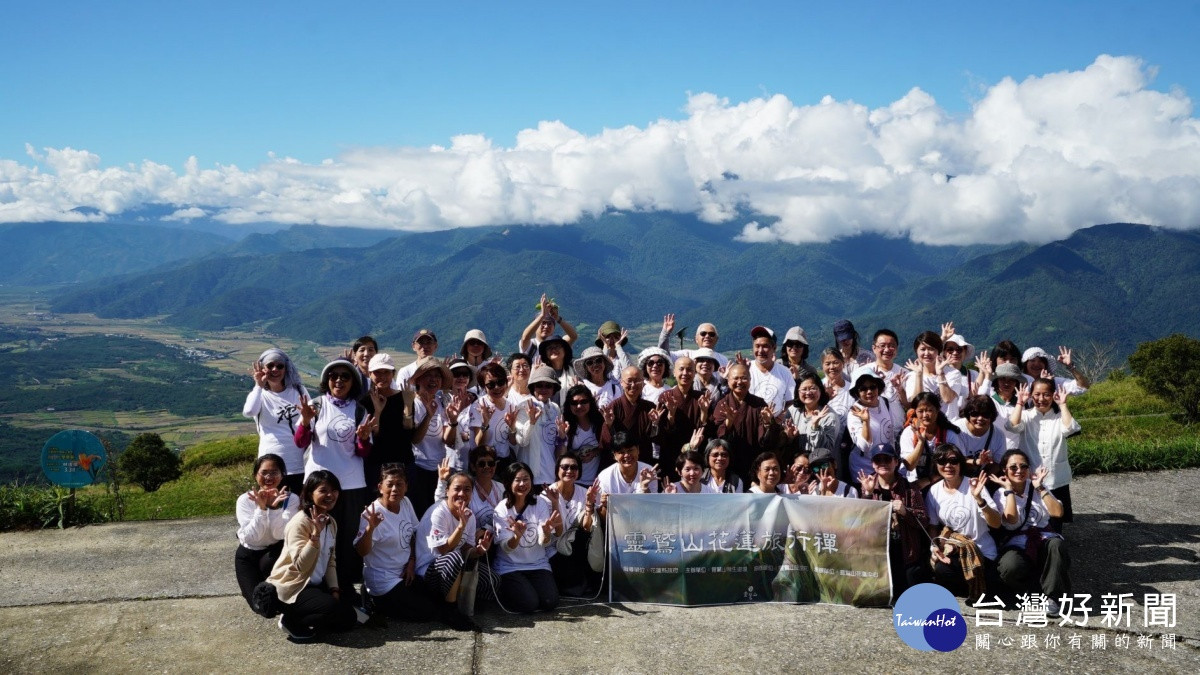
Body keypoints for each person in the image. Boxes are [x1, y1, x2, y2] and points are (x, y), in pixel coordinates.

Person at [294, 359, 374, 586]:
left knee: (347, 538)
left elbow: (363, 452)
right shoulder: (316, 405)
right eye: (333, 375)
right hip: (319, 484)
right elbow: (301, 442)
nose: (338, 380)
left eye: (345, 376)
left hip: (350, 484)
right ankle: (316, 585)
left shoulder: (359, 410)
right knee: (317, 535)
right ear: (326, 380)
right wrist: (306, 422)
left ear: (353, 382)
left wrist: (365, 437)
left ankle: (346, 586)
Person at [267, 471, 366, 641]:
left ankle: (316, 611)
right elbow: (301, 566)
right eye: (323, 491)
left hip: (317, 584)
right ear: (309, 494)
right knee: (331, 609)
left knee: (350, 618)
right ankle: (290, 618)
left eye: (334, 490)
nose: (330, 495)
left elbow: (330, 561)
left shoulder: (331, 521)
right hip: (296, 586)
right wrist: (314, 537)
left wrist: (334, 590)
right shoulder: (299, 522)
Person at [989, 449, 1072, 614]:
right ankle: (1031, 590)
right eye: (1013, 467)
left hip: (1043, 538)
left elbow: (1057, 513)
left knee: (1056, 545)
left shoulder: (1037, 486)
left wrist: (1040, 487)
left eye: (1023, 466)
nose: (1019, 471)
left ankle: (1053, 597)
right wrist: (1009, 491)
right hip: (1018, 542)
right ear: (1004, 470)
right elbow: (1011, 520)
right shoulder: (1000, 493)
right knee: (1009, 567)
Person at [354, 463, 438, 622]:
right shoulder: (371, 513)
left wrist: (412, 561)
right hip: (384, 580)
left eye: (399, 484)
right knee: (426, 613)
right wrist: (370, 529)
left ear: (406, 486)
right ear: (380, 487)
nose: (394, 489)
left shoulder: (405, 502)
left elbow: (413, 533)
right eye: (390, 484)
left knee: (436, 597)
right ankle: (375, 601)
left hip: (405, 572)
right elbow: (361, 551)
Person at [415, 472, 496, 630]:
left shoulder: (469, 515)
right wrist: (460, 526)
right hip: (429, 571)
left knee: (492, 580)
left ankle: (458, 602)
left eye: (467, 490)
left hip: (454, 567)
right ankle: (450, 611)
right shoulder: (438, 512)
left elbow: (466, 549)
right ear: (447, 491)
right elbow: (444, 548)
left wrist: (478, 550)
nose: (461, 494)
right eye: (457, 489)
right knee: (453, 557)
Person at [925, 445, 1002, 600]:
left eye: (953, 461)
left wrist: (979, 499)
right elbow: (933, 525)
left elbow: (996, 523)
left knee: (991, 585)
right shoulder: (934, 491)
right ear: (936, 465)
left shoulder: (973, 485)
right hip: (954, 549)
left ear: (960, 463)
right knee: (941, 570)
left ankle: (974, 589)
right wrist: (935, 546)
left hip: (981, 551)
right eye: (942, 461)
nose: (948, 466)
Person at [856, 443, 929, 601]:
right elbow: (862, 521)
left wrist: (905, 512)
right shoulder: (867, 487)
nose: (883, 463)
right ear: (873, 465)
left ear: (896, 462)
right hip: (879, 551)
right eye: (878, 460)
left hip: (905, 550)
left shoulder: (910, 490)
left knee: (908, 598)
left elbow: (924, 522)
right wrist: (868, 495)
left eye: (887, 459)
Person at [1005, 379, 1081, 532]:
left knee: (1056, 518)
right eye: (1037, 395)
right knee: (1031, 516)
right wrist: (1020, 403)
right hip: (1031, 476)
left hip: (1056, 477)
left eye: (1046, 394)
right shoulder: (1026, 415)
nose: (1041, 399)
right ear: (1031, 396)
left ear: (1053, 395)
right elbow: (1011, 426)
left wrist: (1063, 404)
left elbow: (1070, 428)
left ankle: (1053, 545)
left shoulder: (1059, 416)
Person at [492, 462, 563, 613]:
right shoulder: (502, 509)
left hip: (537, 564)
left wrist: (546, 532)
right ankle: (504, 590)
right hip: (510, 567)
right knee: (529, 604)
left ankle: (525, 588)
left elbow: (543, 542)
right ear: (508, 483)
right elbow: (506, 548)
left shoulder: (540, 503)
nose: (523, 484)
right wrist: (516, 537)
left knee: (550, 602)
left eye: (526, 479)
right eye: (517, 480)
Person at [235, 453, 299, 612]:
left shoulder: (291, 499)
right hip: (248, 554)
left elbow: (280, 535)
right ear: (255, 475)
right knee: (262, 608)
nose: (269, 477)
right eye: (264, 472)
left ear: (282, 475)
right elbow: (252, 538)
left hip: (274, 554)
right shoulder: (245, 500)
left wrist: (274, 508)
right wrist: (262, 509)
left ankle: (270, 583)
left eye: (274, 472)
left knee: (277, 604)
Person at [243, 348, 307, 495]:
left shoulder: (298, 390)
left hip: (299, 461)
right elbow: (249, 411)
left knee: (299, 509)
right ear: (262, 368)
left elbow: (311, 418)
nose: (275, 369)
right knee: (273, 509)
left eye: (280, 366)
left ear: (286, 368)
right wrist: (258, 385)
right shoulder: (259, 394)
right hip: (270, 465)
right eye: (270, 365)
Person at [713, 363, 781, 481]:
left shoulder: (759, 404)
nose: (740, 382)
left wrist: (768, 423)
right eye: (735, 378)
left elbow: (767, 442)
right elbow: (717, 437)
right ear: (728, 381)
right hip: (730, 466)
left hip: (754, 464)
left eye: (744, 378)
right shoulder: (722, 404)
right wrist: (728, 422)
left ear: (750, 381)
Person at [547, 452, 602, 596]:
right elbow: (555, 533)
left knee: (583, 535)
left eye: (574, 468)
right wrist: (554, 503)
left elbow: (587, 527)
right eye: (564, 467)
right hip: (553, 548)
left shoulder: (584, 492)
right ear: (557, 470)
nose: (569, 471)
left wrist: (589, 504)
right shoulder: (546, 495)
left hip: (576, 545)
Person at [407, 356, 456, 517]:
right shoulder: (413, 404)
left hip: (439, 469)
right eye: (429, 375)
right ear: (419, 380)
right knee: (421, 513)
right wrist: (428, 416)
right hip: (419, 468)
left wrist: (453, 422)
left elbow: (447, 440)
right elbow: (415, 439)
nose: (433, 380)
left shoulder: (442, 403)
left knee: (439, 513)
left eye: (437, 376)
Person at [361, 353, 417, 491]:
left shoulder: (404, 397)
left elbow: (409, 432)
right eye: (377, 373)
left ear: (393, 373)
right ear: (370, 374)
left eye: (386, 372)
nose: (382, 377)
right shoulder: (364, 402)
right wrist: (378, 412)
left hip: (403, 462)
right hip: (376, 464)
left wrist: (408, 405)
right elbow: (373, 436)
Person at [845, 371, 904, 486]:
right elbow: (865, 446)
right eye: (863, 389)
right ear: (857, 392)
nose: (869, 392)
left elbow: (895, 429)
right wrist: (866, 421)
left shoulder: (885, 402)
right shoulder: (854, 413)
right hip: (864, 468)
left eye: (873, 387)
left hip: (886, 464)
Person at [655, 357, 709, 480]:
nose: (685, 373)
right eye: (681, 369)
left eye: (689, 370)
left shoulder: (701, 397)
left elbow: (705, 430)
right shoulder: (666, 396)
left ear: (695, 373)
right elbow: (662, 432)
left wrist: (704, 412)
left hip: (695, 455)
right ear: (674, 372)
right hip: (670, 454)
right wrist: (671, 414)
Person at [514, 365, 565, 485]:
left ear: (554, 389)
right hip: (531, 476)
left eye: (548, 385)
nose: (543, 389)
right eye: (539, 385)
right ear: (533, 388)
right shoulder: (524, 407)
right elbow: (522, 441)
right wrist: (531, 422)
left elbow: (556, 442)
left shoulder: (555, 408)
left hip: (552, 474)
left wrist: (562, 436)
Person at [898, 392, 961, 488]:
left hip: (941, 482)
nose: (925, 415)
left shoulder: (949, 434)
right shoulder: (909, 433)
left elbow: (956, 465)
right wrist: (921, 442)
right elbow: (909, 466)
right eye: (920, 411)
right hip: (913, 483)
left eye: (929, 410)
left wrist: (929, 480)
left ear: (937, 410)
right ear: (915, 411)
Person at [596, 431, 660, 519]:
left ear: (638, 450)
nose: (627, 455)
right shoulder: (605, 477)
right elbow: (602, 518)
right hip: (617, 523)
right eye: (621, 452)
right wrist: (606, 506)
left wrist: (645, 488)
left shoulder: (649, 471)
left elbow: (653, 509)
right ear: (614, 455)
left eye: (630, 450)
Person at [783, 374, 841, 464]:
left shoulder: (829, 416)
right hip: (795, 466)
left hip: (817, 466)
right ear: (797, 392)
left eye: (813, 388)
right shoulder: (792, 411)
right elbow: (783, 443)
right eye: (804, 389)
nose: (808, 392)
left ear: (820, 390)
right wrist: (789, 438)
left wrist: (815, 427)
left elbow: (825, 450)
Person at [904, 331, 964, 419]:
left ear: (939, 352)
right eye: (923, 349)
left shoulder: (953, 373)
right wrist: (919, 375)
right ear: (916, 351)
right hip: (925, 427)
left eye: (931, 349)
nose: (927, 353)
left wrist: (940, 374)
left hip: (949, 426)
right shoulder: (912, 376)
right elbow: (915, 403)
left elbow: (947, 399)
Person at [471, 362, 519, 466]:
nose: (497, 387)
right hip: (486, 463)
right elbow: (478, 443)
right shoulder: (479, 406)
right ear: (484, 387)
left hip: (504, 461)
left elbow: (513, 441)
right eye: (491, 384)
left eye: (500, 382)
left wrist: (512, 428)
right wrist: (485, 423)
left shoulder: (511, 406)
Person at [561, 384, 605, 486]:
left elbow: (608, 446)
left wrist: (595, 451)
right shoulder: (566, 424)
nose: (579, 406)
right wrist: (577, 454)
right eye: (574, 403)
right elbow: (561, 455)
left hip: (598, 482)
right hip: (574, 482)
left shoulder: (599, 421)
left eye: (584, 401)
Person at [951, 394, 1006, 475]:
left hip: (982, 475)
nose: (980, 418)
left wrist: (983, 480)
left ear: (992, 416)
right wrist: (976, 462)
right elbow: (953, 460)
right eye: (975, 413)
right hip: (957, 475)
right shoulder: (956, 430)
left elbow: (997, 463)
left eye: (985, 414)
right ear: (968, 414)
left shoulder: (999, 435)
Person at [519, 293, 579, 364]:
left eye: (550, 323)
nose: (546, 326)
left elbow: (573, 336)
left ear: (554, 327)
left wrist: (557, 318)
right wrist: (542, 315)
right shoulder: (531, 344)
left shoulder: (558, 343)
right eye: (543, 323)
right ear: (536, 326)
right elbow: (525, 337)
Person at [746, 325, 794, 413]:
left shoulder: (785, 372)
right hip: (749, 424)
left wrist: (781, 417)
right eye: (757, 346)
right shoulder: (746, 369)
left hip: (775, 424)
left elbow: (790, 401)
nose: (760, 351)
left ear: (774, 348)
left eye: (765, 346)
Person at [658, 314, 729, 371]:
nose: (707, 336)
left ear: (716, 339)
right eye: (703, 334)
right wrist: (665, 334)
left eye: (712, 334)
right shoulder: (686, 355)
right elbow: (664, 355)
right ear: (696, 339)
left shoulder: (723, 360)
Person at [1021, 346, 1089, 396]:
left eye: (1041, 361)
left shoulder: (1054, 381)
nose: (1036, 364)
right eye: (1032, 360)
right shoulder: (1018, 380)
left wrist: (1070, 367)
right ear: (1025, 363)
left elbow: (1083, 387)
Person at [818, 347, 854, 418]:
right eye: (827, 364)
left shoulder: (852, 388)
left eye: (836, 362)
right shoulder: (818, 388)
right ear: (822, 365)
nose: (832, 367)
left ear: (843, 363)